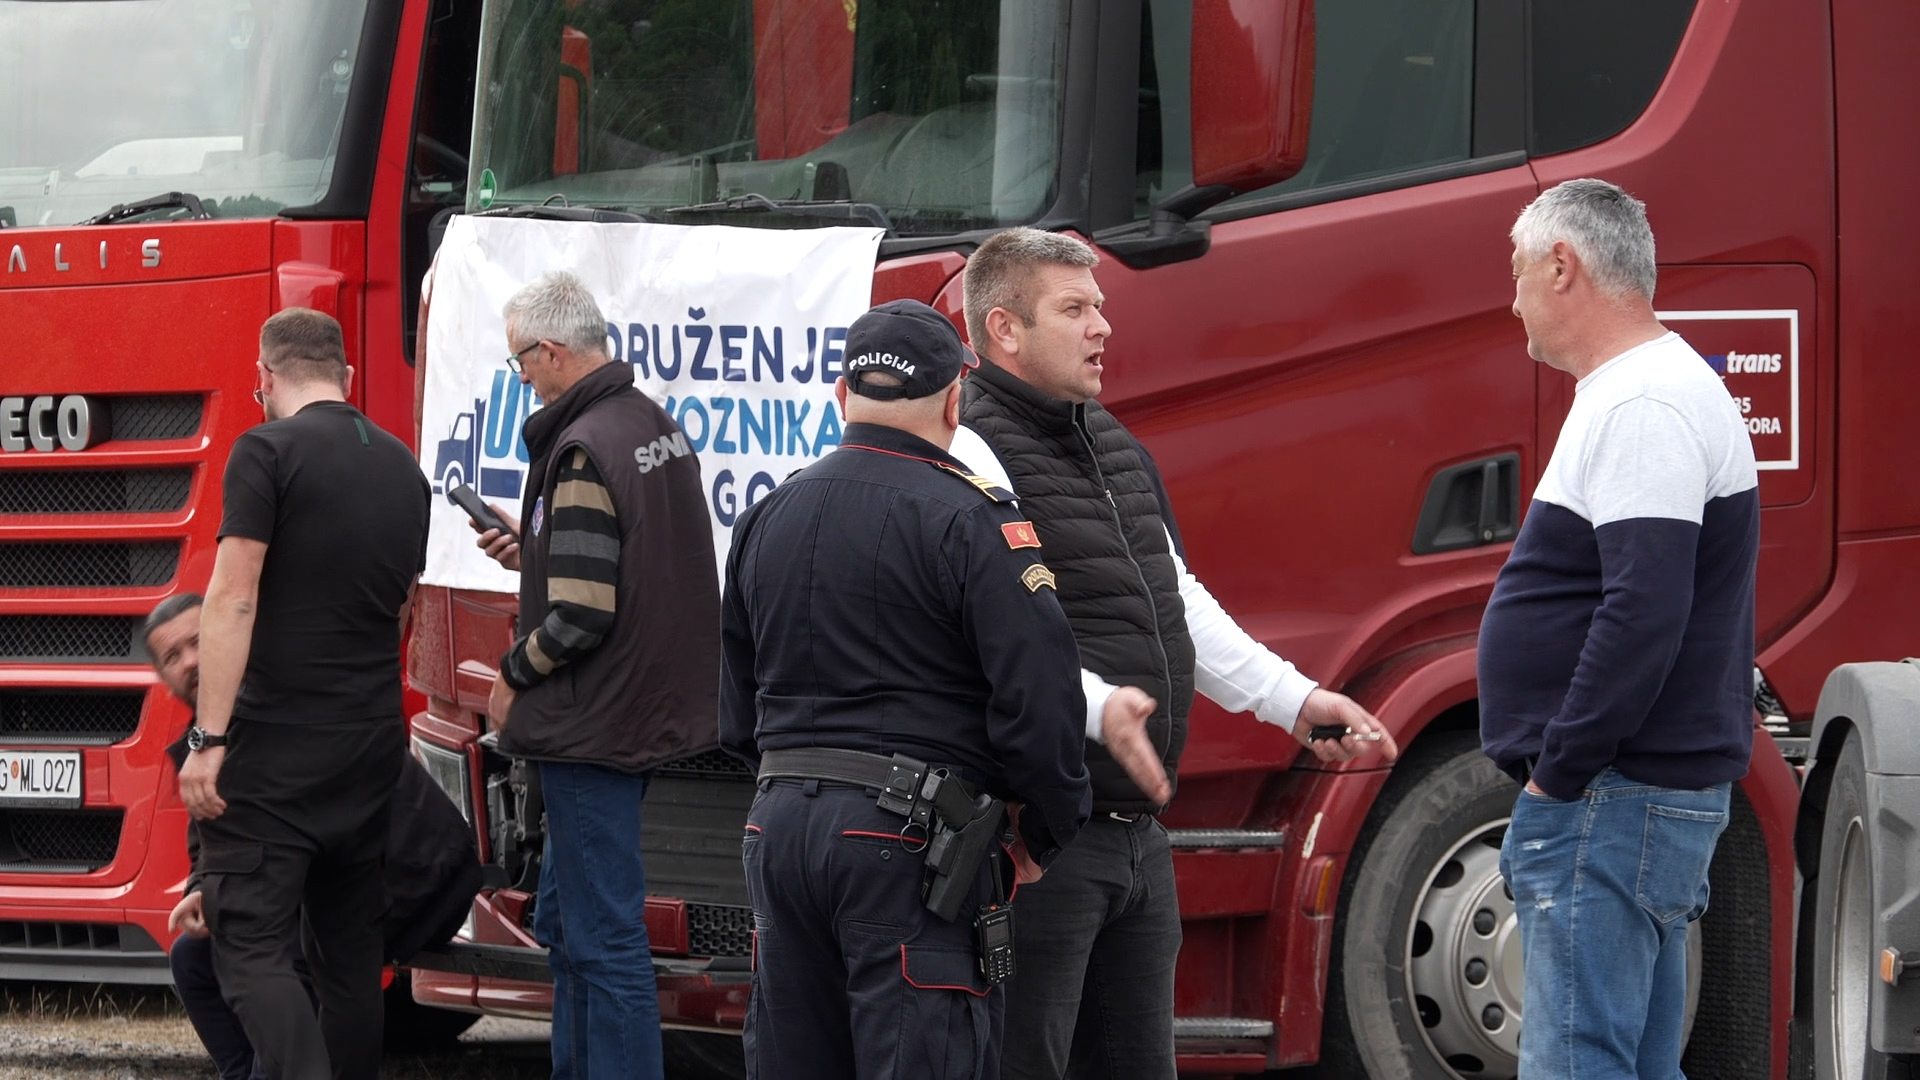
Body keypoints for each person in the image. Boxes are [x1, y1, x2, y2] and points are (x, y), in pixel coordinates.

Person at [949, 227, 1400, 1079]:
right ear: (1004, 330)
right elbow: (985, 637)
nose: (1102, 328)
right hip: (1038, 840)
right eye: (1074, 309)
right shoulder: (972, 450)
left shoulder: (1109, 440)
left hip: (1135, 842)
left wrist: (1295, 702)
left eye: (1101, 308)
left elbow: (1176, 599)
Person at [721, 299, 1160, 1080]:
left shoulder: (765, 516)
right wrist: (1044, 834)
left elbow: (737, 707)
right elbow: (1042, 697)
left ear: (839, 396)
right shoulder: (974, 517)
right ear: (957, 402)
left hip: (778, 830)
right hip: (910, 844)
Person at [1480, 179, 1758, 1078]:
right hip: (1627, 793)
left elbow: (1643, 610)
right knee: (1631, 1063)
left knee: (1577, 1062)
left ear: (1562, 265)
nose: (1512, 294)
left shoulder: (1642, 404)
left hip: (1609, 794)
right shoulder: (1657, 386)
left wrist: (1558, 775)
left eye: (1518, 270)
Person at [471, 271, 719, 1079]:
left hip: (589, 728)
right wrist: (533, 548)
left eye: (520, 364)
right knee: (576, 930)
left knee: (602, 940)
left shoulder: (579, 446)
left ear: (549, 351)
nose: (522, 381)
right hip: (636, 715)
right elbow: (629, 561)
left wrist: (511, 675)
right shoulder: (646, 422)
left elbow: (580, 615)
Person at [179, 308, 432, 1080]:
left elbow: (232, 597)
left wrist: (208, 740)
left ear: (263, 377)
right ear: (346, 377)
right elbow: (402, 608)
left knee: (249, 946)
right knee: (350, 960)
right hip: (368, 746)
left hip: (277, 747)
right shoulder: (403, 468)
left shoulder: (264, 450)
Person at [150, 594, 483, 1080]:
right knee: (193, 958)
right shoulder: (209, 740)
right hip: (315, 893)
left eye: (199, 641)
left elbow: (304, 839)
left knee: (278, 955)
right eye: (173, 657)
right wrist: (201, 891)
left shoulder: (281, 705)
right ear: (163, 678)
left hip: (411, 877)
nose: (192, 662)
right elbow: (213, 844)